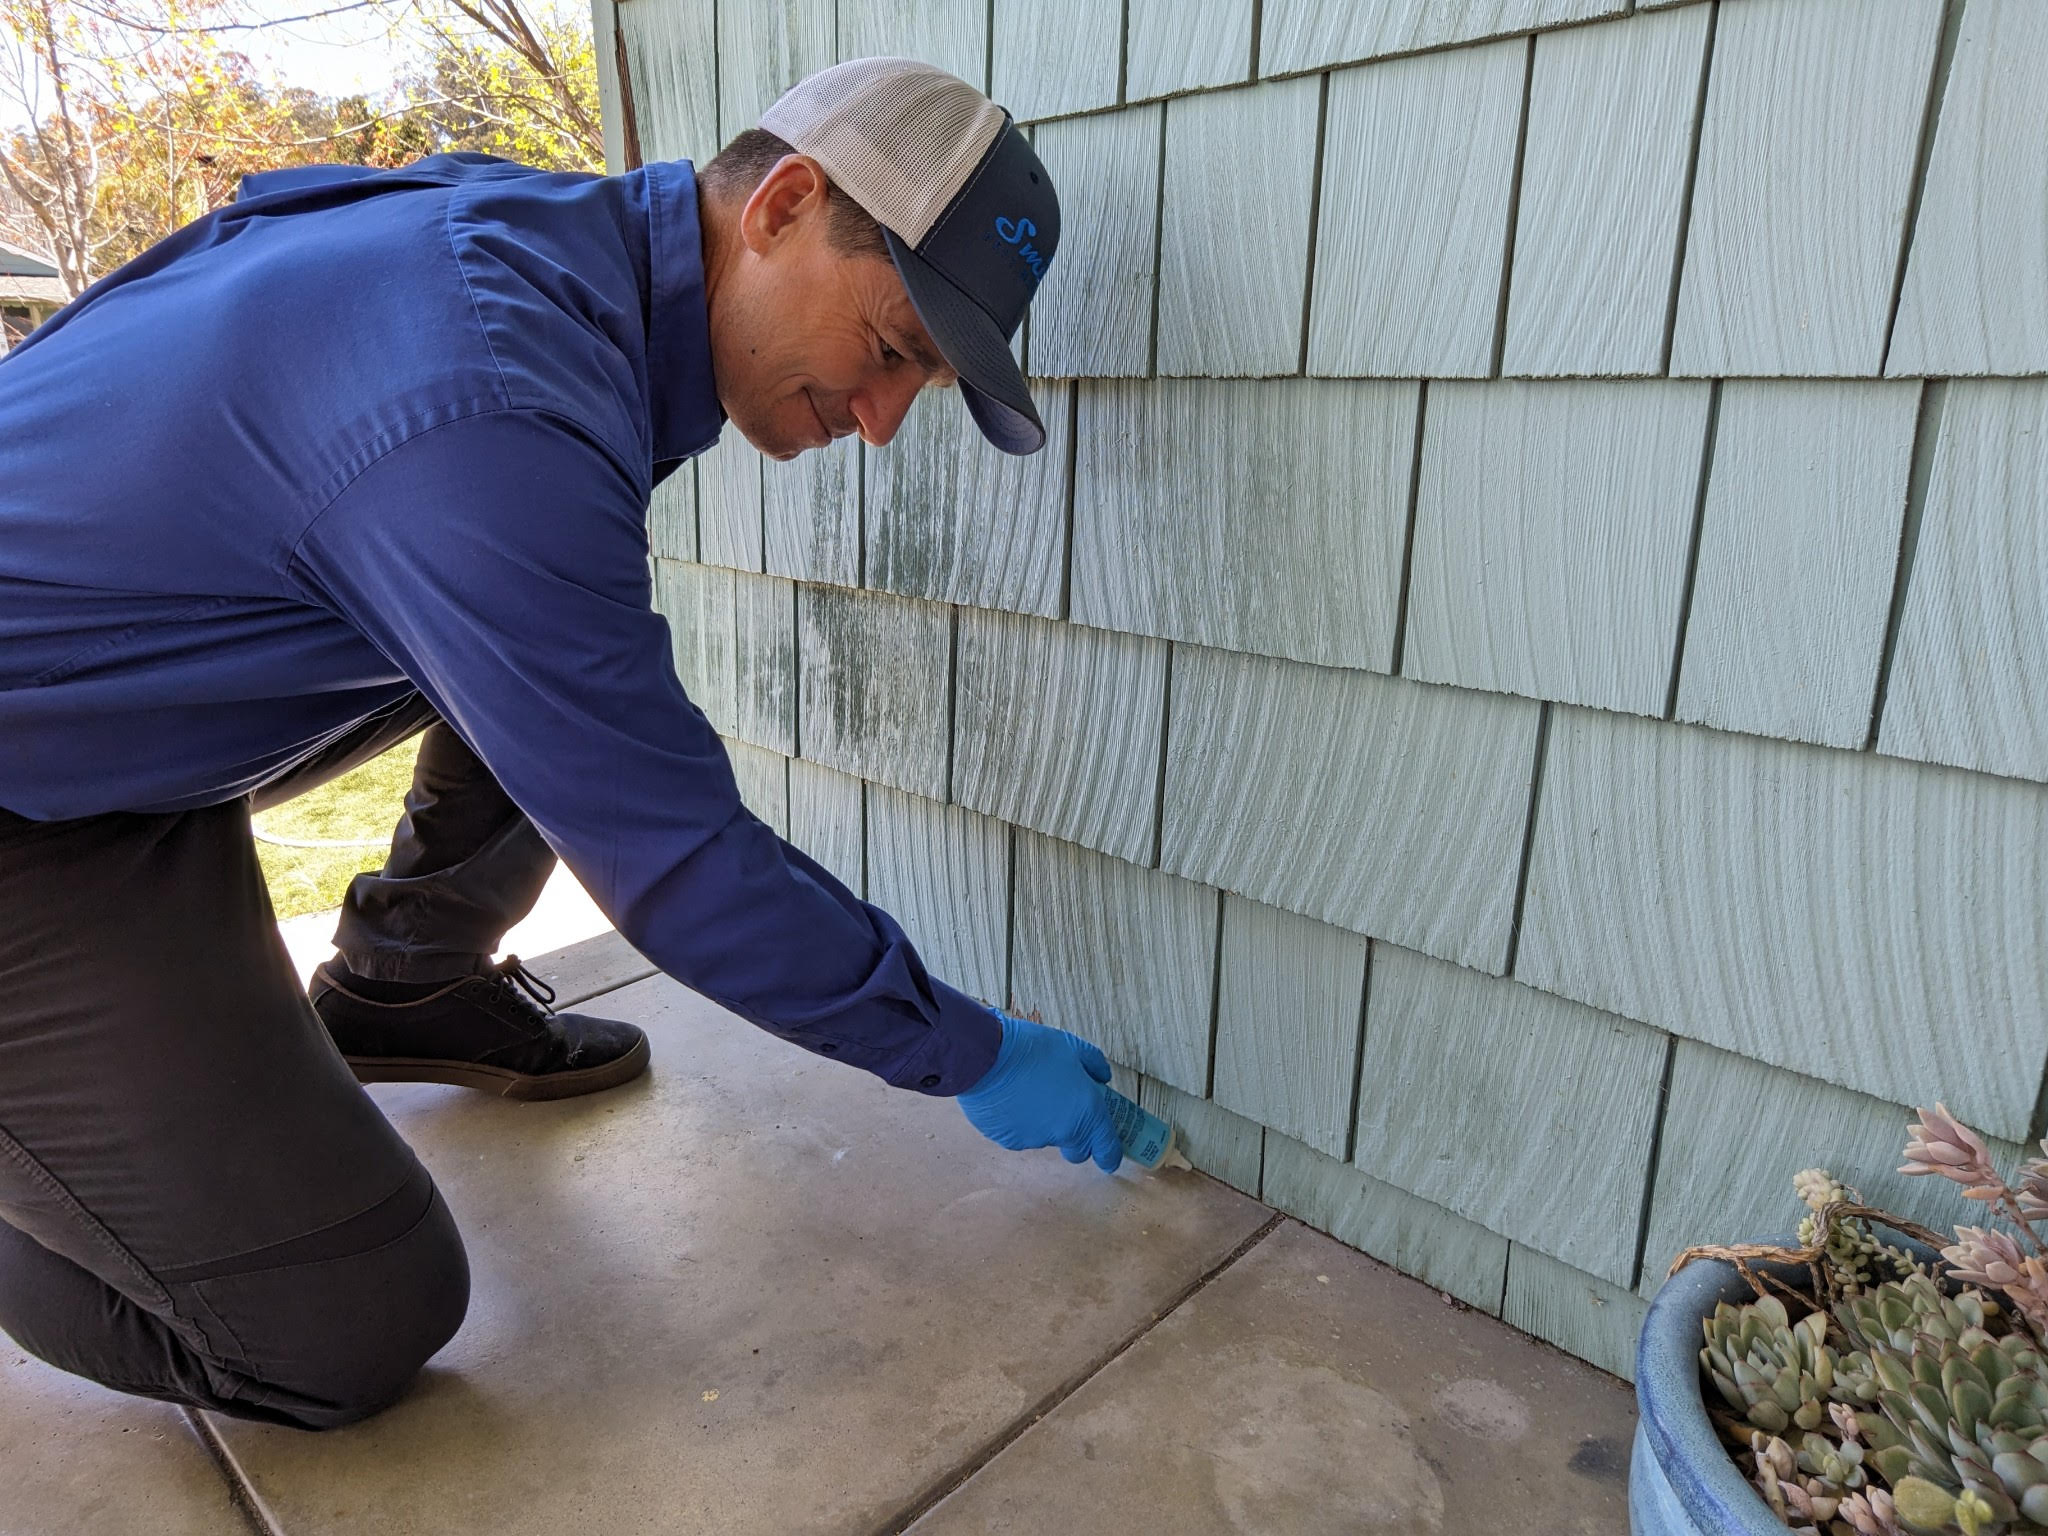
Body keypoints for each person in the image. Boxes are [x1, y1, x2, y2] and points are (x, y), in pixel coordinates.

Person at [0, 57, 1125, 1431]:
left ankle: (405, 982)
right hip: (28, 811)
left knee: (569, 662)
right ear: (782, 204)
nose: (882, 422)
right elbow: (682, 868)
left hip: (100, 744)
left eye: (923, 387)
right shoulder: (492, 397)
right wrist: (964, 1047)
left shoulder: (554, 268)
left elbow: (576, 695)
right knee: (340, 1322)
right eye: (891, 352)